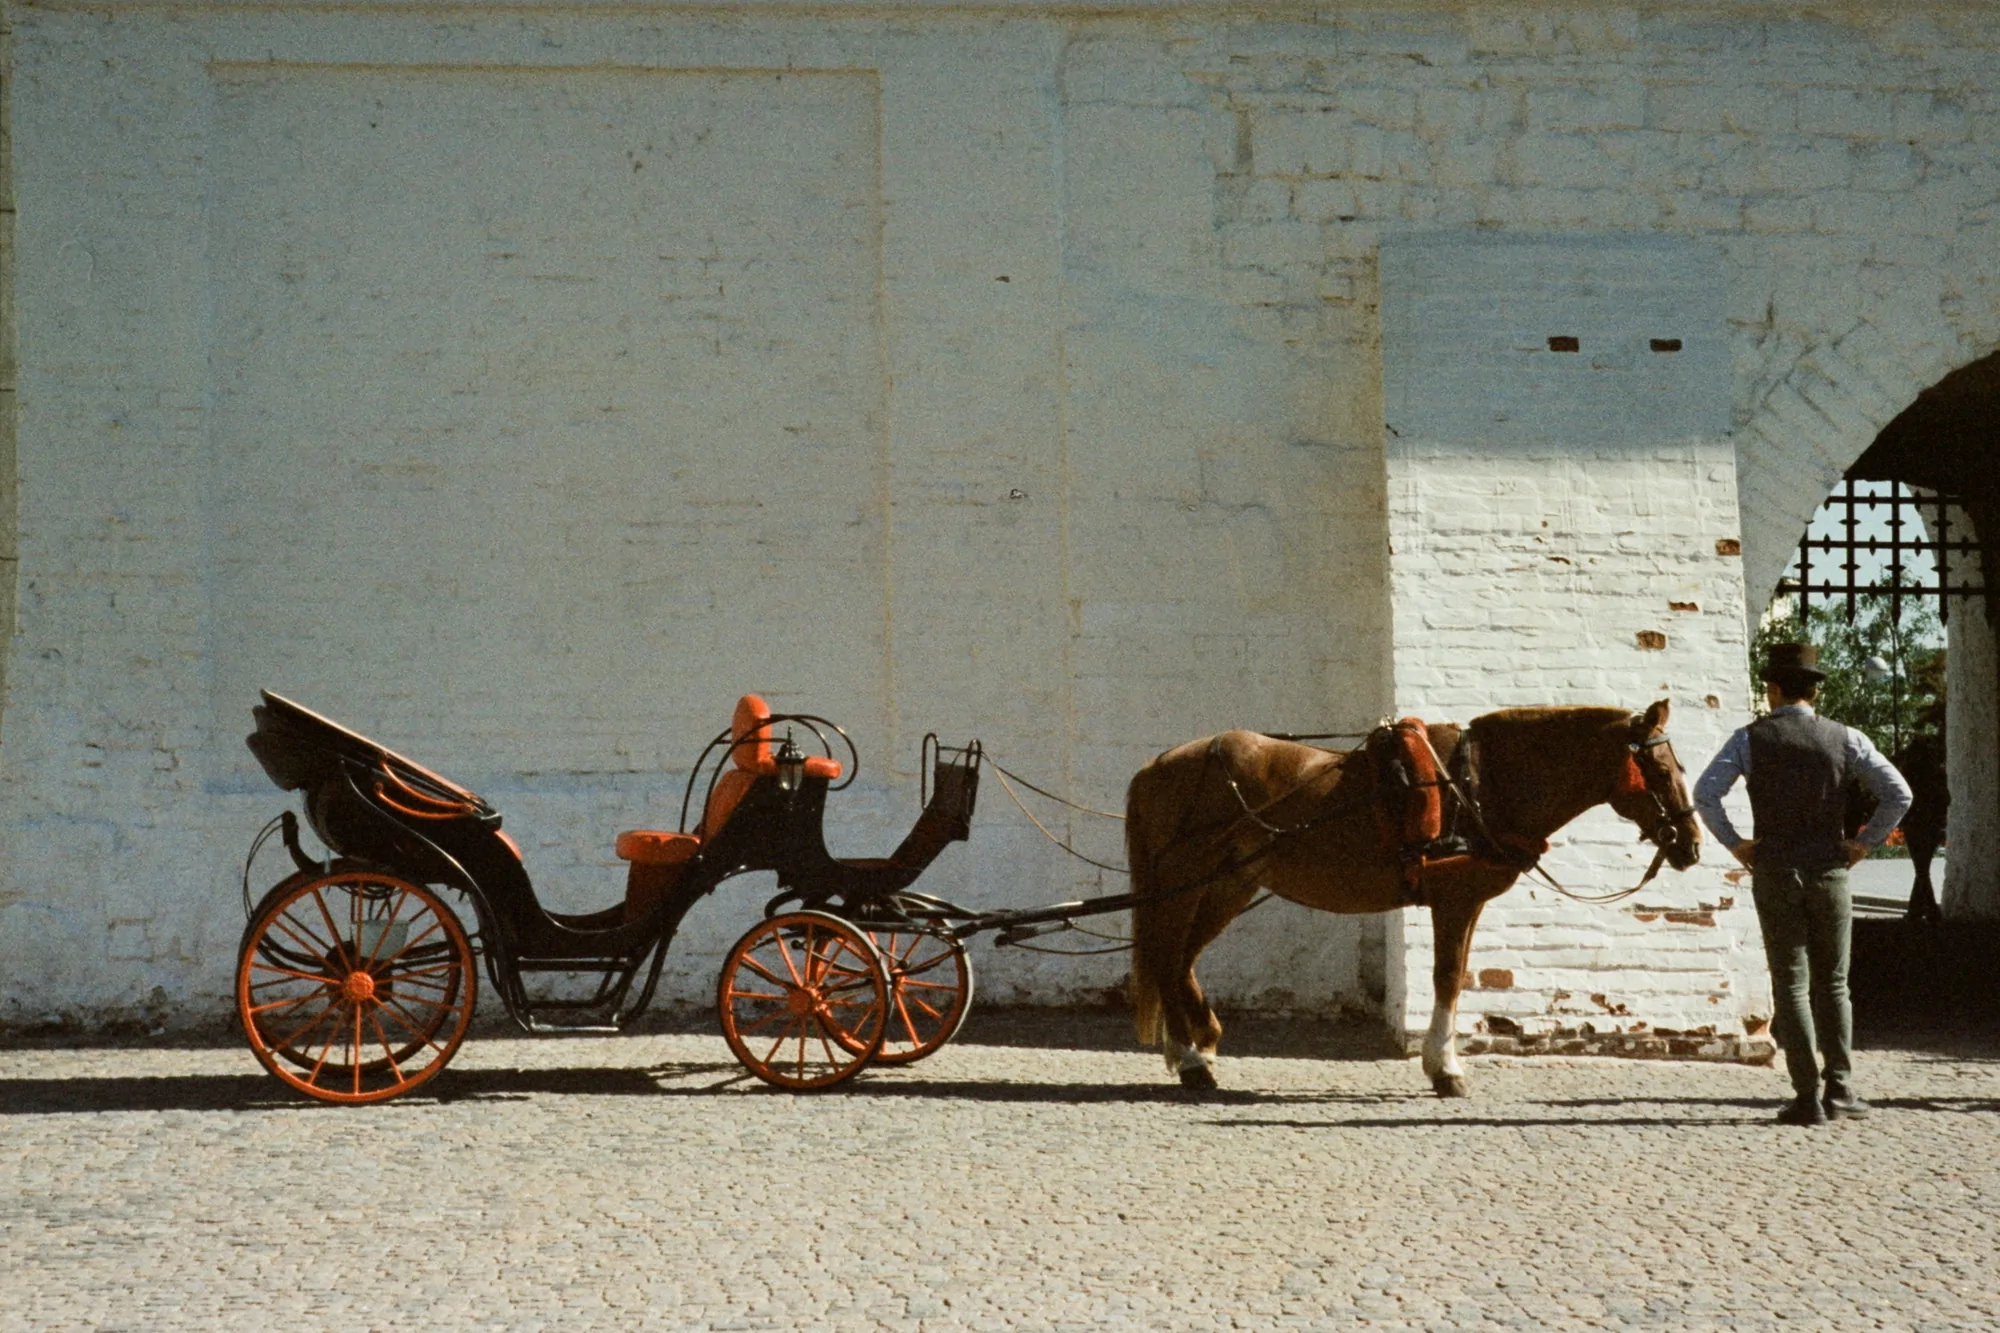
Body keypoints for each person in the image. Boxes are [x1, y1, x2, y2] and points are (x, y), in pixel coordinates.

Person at [1693, 643, 1912, 1126]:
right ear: (1814, 691)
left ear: (1773, 689)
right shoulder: (1846, 738)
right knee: (1833, 983)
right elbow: (1899, 793)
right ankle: (1841, 1088)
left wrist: (1736, 844)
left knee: (1790, 982)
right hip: (1828, 867)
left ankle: (1806, 1096)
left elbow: (1705, 794)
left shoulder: (1749, 739)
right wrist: (1864, 843)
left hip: (1775, 867)